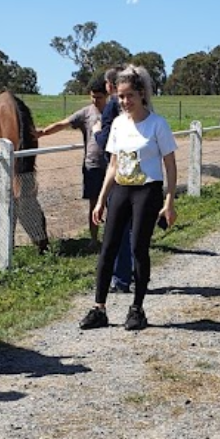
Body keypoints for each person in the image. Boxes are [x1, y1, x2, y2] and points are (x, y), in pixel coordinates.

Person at [80, 64, 177, 332]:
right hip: (121, 189)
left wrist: (169, 201)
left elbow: (170, 164)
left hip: (147, 191)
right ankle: (99, 308)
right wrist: (101, 200)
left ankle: (137, 309)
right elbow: (113, 164)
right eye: (120, 96)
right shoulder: (119, 124)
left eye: (129, 95)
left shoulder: (157, 124)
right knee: (108, 247)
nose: (124, 101)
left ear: (142, 94)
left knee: (138, 248)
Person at [37, 75, 109, 248]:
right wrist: (44, 132)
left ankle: (113, 238)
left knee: (113, 203)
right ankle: (93, 240)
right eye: (92, 96)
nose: (95, 100)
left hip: (112, 166)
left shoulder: (115, 112)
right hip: (92, 165)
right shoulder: (86, 113)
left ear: (107, 95)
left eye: (98, 97)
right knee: (94, 203)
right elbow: (64, 123)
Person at [95, 66, 134, 292]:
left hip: (119, 173)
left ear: (110, 85)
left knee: (118, 229)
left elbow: (108, 143)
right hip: (139, 174)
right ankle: (133, 273)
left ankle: (120, 279)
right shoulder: (140, 105)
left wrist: (97, 131)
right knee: (133, 229)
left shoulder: (112, 105)